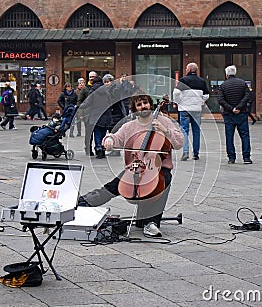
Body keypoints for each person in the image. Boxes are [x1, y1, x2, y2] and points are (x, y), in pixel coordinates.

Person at [78, 90, 184, 237]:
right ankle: (81, 203)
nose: (143, 106)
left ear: (150, 104)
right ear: (135, 109)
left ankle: (151, 223)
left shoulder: (163, 121)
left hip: (159, 168)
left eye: (145, 103)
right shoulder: (130, 126)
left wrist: (165, 131)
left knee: (162, 182)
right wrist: (109, 140)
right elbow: (115, 138)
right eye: (139, 104)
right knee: (112, 186)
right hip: (135, 167)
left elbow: (179, 143)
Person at [173, 62, 209, 161]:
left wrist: (178, 102)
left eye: (186, 69)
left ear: (188, 70)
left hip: (184, 109)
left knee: (184, 130)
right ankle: (196, 153)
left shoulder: (183, 80)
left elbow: (176, 92)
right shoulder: (202, 81)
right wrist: (201, 102)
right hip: (196, 109)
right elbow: (206, 95)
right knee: (196, 131)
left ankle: (185, 152)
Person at [217, 65, 252, 164]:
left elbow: (220, 100)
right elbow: (247, 96)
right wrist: (239, 107)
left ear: (226, 74)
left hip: (229, 114)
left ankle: (231, 158)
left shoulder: (223, 85)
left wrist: (231, 108)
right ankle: (246, 157)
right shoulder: (242, 83)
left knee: (229, 136)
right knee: (245, 135)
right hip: (242, 113)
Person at [79, 76, 112, 159]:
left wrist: (80, 106)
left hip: (95, 115)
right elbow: (110, 102)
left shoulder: (92, 91)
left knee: (97, 133)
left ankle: (99, 150)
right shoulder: (106, 91)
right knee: (103, 134)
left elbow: (88, 103)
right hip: (106, 115)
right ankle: (103, 150)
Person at [77, 77, 94, 155]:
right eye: (90, 77)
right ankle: (88, 148)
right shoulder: (85, 89)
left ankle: (98, 148)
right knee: (88, 133)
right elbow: (79, 103)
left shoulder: (99, 88)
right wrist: (81, 114)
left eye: (94, 77)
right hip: (87, 114)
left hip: (97, 113)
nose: (92, 78)